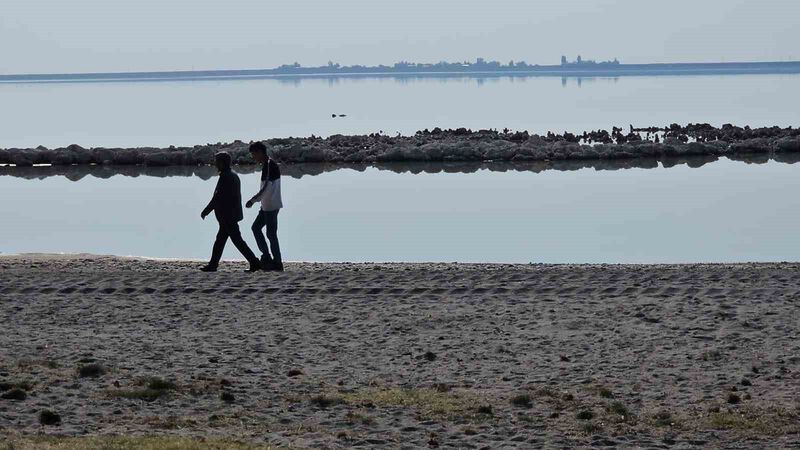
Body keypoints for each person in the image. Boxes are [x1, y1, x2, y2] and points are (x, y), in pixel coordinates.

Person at [200, 152, 261, 272]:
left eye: (217, 161)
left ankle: (254, 262)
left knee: (236, 241)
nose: (215, 164)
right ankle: (213, 265)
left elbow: (217, 198)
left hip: (227, 216)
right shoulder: (232, 175)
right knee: (221, 241)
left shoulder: (226, 177)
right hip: (230, 216)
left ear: (222, 163)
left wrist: (206, 211)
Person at [245, 142, 283, 271]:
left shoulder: (268, 165)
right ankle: (267, 257)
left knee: (270, 234)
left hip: (270, 206)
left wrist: (253, 200)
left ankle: (276, 262)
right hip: (267, 205)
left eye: (254, 154)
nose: (253, 157)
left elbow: (267, 188)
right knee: (257, 228)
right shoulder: (268, 165)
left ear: (260, 152)